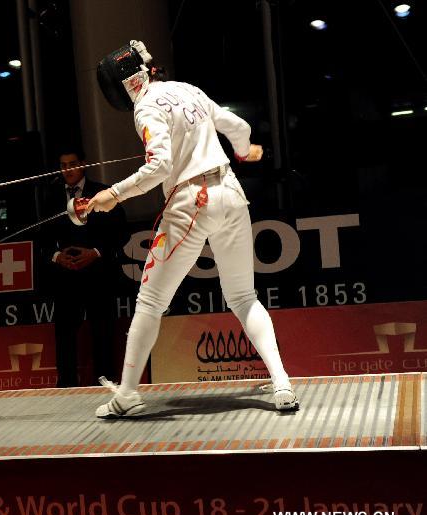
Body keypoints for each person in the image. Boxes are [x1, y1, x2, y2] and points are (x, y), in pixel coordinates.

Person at [88, 40, 299, 417]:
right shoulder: (188, 90)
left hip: (190, 202)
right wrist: (241, 149)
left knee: (151, 302)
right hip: (231, 194)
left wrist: (114, 194)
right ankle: (281, 383)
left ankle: (128, 396)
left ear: (124, 85)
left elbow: (159, 167)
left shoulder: (146, 107)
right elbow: (238, 126)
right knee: (243, 297)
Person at [39, 148, 125, 387]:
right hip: (66, 276)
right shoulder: (51, 197)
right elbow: (42, 238)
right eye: (63, 165)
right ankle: (65, 385)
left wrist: (96, 252)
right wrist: (57, 256)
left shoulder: (102, 192)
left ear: (83, 164)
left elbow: (121, 231)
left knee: (102, 330)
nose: (68, 169)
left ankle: (107, 382)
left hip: (98, 275)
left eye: (72, 164)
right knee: (64, 333)